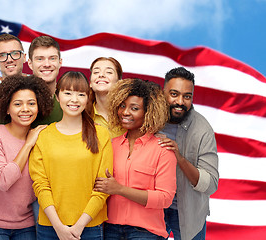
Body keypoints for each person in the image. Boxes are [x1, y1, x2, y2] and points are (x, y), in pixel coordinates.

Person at [29, 71, 113, 240]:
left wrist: (79, 226)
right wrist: (58, 227)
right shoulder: (43, 136)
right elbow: (40, 184)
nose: (74, 100)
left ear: (88, 98)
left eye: (81, 94)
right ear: (57, 96)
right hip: (50, 227)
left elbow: (103, 187)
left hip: (89, 227)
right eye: (67, 93)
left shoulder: (101, 135)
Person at [0, 75, 53, 239]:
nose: (25, 109)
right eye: (17, 104)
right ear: (7, 108)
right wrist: (28, 145)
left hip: (26, 225)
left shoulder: (42, 138)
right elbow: (3, 181)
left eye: (31, 103)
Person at [94, 78, 177, 239]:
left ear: (148, 112)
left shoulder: (163, 149)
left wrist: (119, 189)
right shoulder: (111, 145)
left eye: (134, 108)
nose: (125, 112)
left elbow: (165, 198)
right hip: (110, 230)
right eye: (122, 106)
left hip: (146, 232)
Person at [158, 67, 219, 240]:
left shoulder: (202, 129)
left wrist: (179, 157)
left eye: (187, 96)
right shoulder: (149, 119)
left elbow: (211, 184)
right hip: (153, 209)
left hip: (188, 212)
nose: (180, 101)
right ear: (163, 93)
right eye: (174, 94)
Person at [28, 35, 63, 126]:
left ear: (60, 62)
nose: (47, 64)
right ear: (30, 64)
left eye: (52, 58)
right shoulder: (16, 98)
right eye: (40, 59)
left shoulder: (70, 99)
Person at [88, 57, 125, 138]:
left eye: (109, 72)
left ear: (119, 82)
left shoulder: (129, 114)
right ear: (90, 83)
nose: (101, 75)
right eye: (96, 72)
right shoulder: (83, 115)